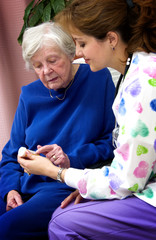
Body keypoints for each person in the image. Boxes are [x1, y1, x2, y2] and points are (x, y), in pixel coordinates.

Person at [18, 0, 156, 239]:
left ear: (111, 39)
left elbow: (123, 178)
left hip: (135, 186)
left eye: (82, 43)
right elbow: (130, 160)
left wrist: (57, 172)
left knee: (62, 222)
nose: (78, 53)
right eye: (38, 65)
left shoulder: (141, 85)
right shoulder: (133, 73)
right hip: (126, 180)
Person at [0, 21, 115, 240]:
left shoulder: (98, 79)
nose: (46, 71)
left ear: (71, 53)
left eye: (52, 61)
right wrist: (9, 190)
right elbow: (10, 153)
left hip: (62, 184)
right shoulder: (29, 95)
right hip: (23, 183)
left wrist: (70, 159)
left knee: (6, 228)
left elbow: (111, 141)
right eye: (37, 65)